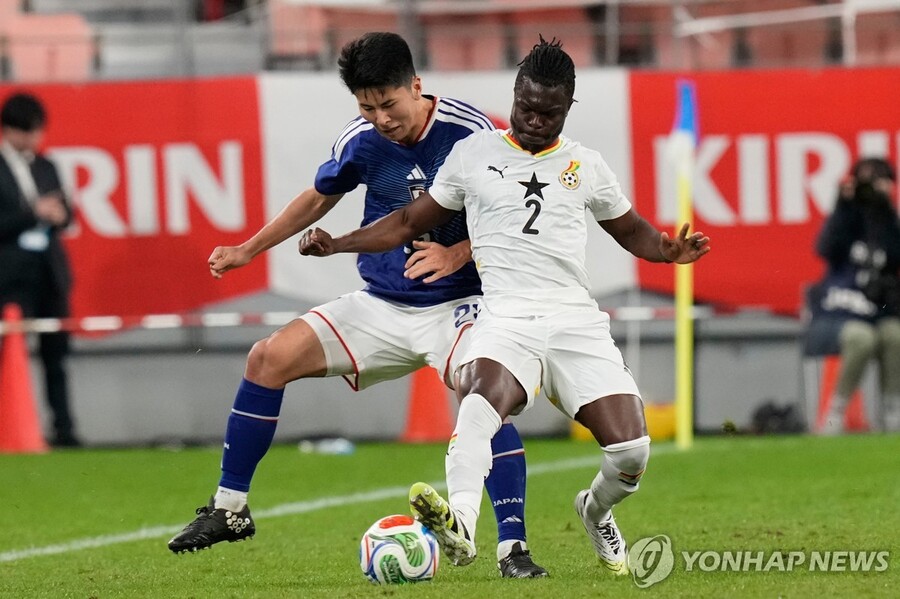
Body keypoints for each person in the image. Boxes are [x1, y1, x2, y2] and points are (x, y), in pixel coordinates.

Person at [299, 37, 710, 574]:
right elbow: (406, 222)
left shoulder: (585, 165)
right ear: (515, 94)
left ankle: (595, 510)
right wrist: (338, 243)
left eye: (549, 113)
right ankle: (462, 526)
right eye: (526, 107)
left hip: (575, 321)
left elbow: (633, 232)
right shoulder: (473, 155)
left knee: (631, 453)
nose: (535, 121)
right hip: (505, 317)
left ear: (567, 108)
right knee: (477, 406)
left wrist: (667, 251)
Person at [168, 32, 548, 578]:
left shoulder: (472, 134)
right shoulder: (362, 139)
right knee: (268, 358)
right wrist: (249, 249)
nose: (381, 119)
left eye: (389, 105)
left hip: (462, 305)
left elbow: (517, 215)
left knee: (481, 399)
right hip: (382, 305)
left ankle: (513, 549)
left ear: (416, 86)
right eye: (368, 108)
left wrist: (458, 251)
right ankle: (230, 509)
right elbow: (318, 196)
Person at [0, 92, 79, 448]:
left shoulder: (47, 166)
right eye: (28, 131)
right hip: (9, 277)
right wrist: (34, 213)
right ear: (9, 130)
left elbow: (67, 214)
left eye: (37, 131)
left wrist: (60, 215)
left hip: (49, 272)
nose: (34, 138)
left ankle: (64, 430)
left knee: (56, 356)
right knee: (8, 355)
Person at [814, 157, 900, 434]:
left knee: (895, 336)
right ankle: (836, 411)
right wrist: (844, 205)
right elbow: (825, 248)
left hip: (878, 309)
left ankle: (893, 410)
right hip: (841, 311)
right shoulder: (847, 216)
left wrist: (885, 210)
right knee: (862, 339)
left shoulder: (888, 221)